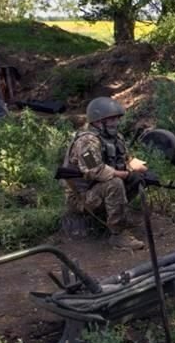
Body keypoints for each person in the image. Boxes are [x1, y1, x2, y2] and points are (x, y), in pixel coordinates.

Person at [61, 97, 148, 250]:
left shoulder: (115, 138)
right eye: (111, 119)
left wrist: (139, 169)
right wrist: (125, 174)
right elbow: (95, 170)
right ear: (98, 121)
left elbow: (126, 160)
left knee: (137, 178)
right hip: (81, 196)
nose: (116, 122)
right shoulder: (86, 142)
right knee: (115, 183)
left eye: (117, 118)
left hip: (97, 189)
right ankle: (118, 235)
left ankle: (116, 216)